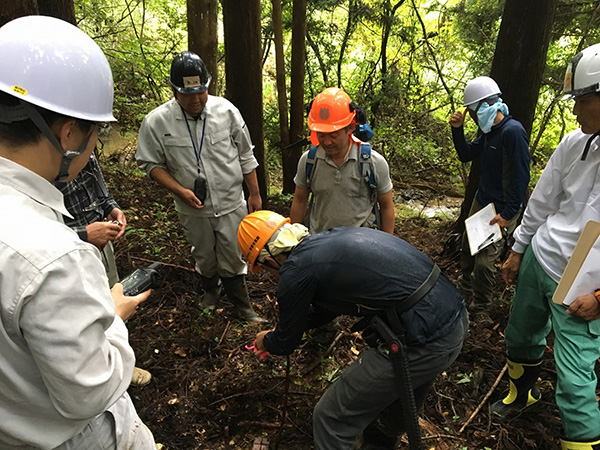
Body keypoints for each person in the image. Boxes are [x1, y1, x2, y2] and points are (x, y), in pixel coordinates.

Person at [0, 15, 156, 449]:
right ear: (68, 133)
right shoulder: (53, 255)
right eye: (95, 136)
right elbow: (89, 391)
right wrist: (113, 317)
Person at [238, 210, 468, 450]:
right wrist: (291, 325)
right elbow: (328, 308)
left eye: (263, 269)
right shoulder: (325, 242)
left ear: (269, 258)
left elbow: (286, 342)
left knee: (331, 417)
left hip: (426, 339)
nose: (270, 275)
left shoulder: (295, 271)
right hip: (453, 316)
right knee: (395, 403)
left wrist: (268, 340)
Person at [491, 44, 600, 450]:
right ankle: (521, 395)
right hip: (543, 252)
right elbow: (544, 198)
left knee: (575, 379)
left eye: (583, 101)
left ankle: (583, 440)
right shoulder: (576, 143)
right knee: (521, 335)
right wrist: (519, 249)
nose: (575, 110)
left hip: (583, 277)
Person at [136, 51, 266, 323]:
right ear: (174, 90)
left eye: (201, 92)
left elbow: (246, 155)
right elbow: (150, 164)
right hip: (192, 207)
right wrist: (179, 190)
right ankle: (210, 290)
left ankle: (242, 305)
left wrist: (254, 194)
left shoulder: (227, 111)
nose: (196, 100)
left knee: (233, 252)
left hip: (231, 202)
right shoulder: (156, 122)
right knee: (204, 254)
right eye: (187, 94)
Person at [54, 152, 153, 387]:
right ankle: (95, 372)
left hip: (101, 243)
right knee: (84, 310)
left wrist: (113, 209)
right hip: (68, 253)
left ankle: (120, 362)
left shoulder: (84, 150)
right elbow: (37, 230)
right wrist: (84, 234)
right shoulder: (42, 162)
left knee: (113, 298)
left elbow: (100, 191)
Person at [449, 76, 530, 324]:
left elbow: (521, 177)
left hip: (502, 207)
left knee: (484, 262)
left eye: (472, 113)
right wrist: (457, 129)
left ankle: (481, 308)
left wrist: (507, 215)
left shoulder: (512, 132)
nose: (473, 117)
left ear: (484, 107)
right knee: (467, 249)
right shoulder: (489, 133)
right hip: (482, 201)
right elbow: (466, 154)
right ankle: (463, 294)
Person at [289, 87, 395, 235]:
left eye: (333, 135)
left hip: (362, 245)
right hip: (320, 243)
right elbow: (300, 200)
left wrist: (386, 245)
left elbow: (386, 206)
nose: (327, 142)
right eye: (321, 134)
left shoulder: (373, 162)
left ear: (350, 127)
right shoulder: (309, 161)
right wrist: (293, 241)